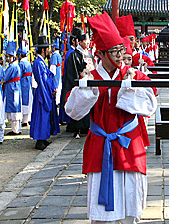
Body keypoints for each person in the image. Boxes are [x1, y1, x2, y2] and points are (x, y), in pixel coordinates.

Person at [64, 12, 157, 223]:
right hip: (101, 146)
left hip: (129, 145)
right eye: (114, 51)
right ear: (101, 54)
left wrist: (131, 88)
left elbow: (151, 105)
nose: (119, 55)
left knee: (131, 208)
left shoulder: (134, 75)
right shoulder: (92, 78)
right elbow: (72, 111)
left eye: (121, 50)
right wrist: (87, 88)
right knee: (101, 212)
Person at [62, 28, 95, 139]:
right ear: (80, 42)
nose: (88, 42)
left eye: (88, 40)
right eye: (85, 41)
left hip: (90, 84)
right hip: (80, 85)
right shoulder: (74, 55)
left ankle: (87, 127)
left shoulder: (89, 54)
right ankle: (77, 128)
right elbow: (72, 73)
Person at [30, 36, 60, 150]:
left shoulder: (42, 62)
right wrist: (48, 91)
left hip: (46, 90)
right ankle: (39, 140)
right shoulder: (38, 63)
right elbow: (42, 80)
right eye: (47, 49)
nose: (49, 51)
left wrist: (52, 88)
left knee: (46, 117)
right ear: (43, 50)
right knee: (41, 117)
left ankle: (44, 138)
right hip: (42, 92)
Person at [3, 41, 23, 136]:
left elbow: (5, 77)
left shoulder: (12, 67)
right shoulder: (15, 65)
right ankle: (16, 128)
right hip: (15, 87)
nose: (7, 58)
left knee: (13, 108)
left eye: (9, 56)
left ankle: (15, 130)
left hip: (12, 88)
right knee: (15, 107)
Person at [17, 43, 33, 127]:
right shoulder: (28, 63)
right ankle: (27, 119)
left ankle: (23, 119)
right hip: (28, 82)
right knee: (28, 100)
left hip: (23, 83)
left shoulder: (21, 64)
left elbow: (18, 74)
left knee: (23, 100)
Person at [50, 38, 62, 106]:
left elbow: (52, 68)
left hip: (55, 75)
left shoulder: (54, 56)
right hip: (59, 73)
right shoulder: (59, 55)